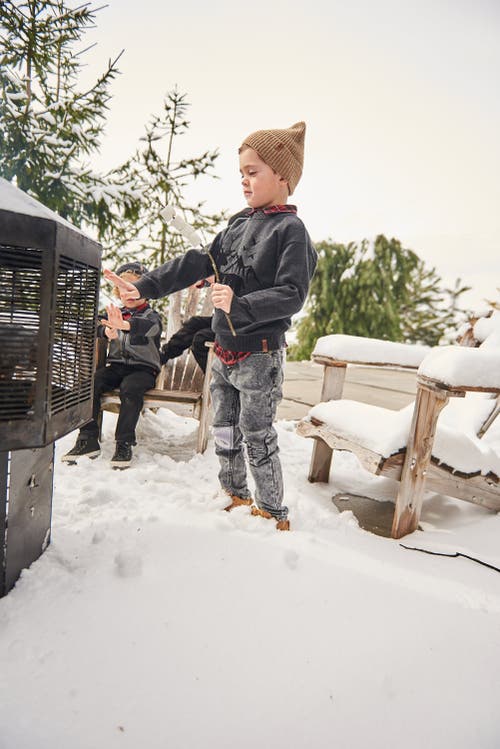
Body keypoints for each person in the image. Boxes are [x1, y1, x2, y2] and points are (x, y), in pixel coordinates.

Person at [105, 122, 317, 527]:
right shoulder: (237, 226)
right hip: (222, 352)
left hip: (260, 355)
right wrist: (144, 288)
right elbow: (196, 262)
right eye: (241, 173)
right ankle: (234, 493)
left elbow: (292, 293)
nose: (244, 180)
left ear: (283, 177)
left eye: (253, 172)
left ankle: (272, 511)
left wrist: (241, 305)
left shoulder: (291, 231)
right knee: (223, 428)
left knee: (257, 434)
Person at [62, 261, 162, 469]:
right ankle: (87, 438)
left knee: (130, 389)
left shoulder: (151, 316)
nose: (128, 294)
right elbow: (94, 324)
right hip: (116, 366)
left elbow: (146, 328)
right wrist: (105, 332)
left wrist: (124, 326)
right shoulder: (113, 313)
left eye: (133, 289)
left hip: (143, 369)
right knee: (93, 383)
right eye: (123, 290)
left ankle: (124, 442)